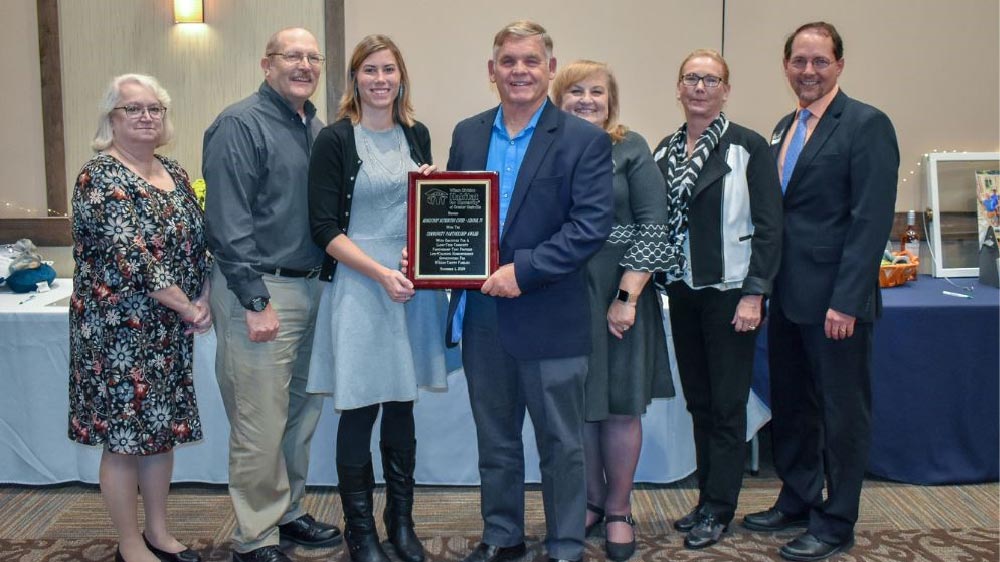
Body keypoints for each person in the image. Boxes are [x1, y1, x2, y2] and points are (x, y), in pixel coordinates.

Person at [446, 20, 613, 562]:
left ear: (550, 69)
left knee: (561, 445)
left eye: (531, 61)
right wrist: (431, 254)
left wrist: (524, 270)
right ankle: (503, 535)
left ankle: (565, 543)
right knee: (495, 442)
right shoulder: (468, 134)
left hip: (551, 315)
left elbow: (589, 227)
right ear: (491, 70)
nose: (519, 70)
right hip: (483, 317)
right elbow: (454, 217)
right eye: (509, 61)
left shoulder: (583, 139)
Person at [741, 22, 898, 562]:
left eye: (820, 61)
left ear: (839, 65)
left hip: (836, 303)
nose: (808, 71)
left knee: (842, 412)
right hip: (787, 298)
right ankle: (799, 497)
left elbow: (870, 220)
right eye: (799, 61)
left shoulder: (866, 125)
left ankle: (837, 521)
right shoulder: (785, 126)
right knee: (794, 407)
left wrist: (847, 300)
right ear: (786, 66)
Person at [306, 34, 452, 562]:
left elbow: (421, 213)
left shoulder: (418, 135)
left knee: (401, 404)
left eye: (389, 69)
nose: (380, 79)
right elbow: (323, 227)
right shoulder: (335, 140)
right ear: (355, 79)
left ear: (401, 76)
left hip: (410, 287)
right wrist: (379, 273)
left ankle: (402, 522)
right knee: (360, 408)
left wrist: (424, 237)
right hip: (359, 283)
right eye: (370, 70)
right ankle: (360, 531)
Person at [203, 27, 341, 562]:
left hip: (311, 287)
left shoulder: (314, 126)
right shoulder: (241, 124)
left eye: (313, 56)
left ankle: (288, 512)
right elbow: (228, 221)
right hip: (261, 292)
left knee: (298, 415)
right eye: (292, 56)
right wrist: (254, 300)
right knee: (259, 422)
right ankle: (255, 536)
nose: (304, 65)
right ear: (267, 64)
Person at [69, 73, 211, 562]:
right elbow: (133, 260)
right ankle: (129, 544)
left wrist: (205, 294)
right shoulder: (99, 176)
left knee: (161, 431)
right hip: (116, 334)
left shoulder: (171, 168)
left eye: (155, 108)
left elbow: (199, 242)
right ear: (112, 118)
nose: (147, 116)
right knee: (124, 439)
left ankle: (158, 531)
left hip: (168, 329)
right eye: (134, 109)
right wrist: (188, 305)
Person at [652, 49, 783, 550]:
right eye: (691, 78)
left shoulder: (747, 146)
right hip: (683, 292)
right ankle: (707, 498)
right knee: (700, 404)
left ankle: (720, 508)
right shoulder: (665, 150)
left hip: (732, 296)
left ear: (726, 89)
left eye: (711, 79)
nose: (700, 87)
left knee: (728, 408)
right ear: (679, 87)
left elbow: (770, 229)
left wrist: (755, 294)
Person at [551, 60, 674, 561]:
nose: (585, 100)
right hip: (562, 291)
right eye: (574, 91)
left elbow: (653, 223)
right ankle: (593, 502)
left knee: (621, 404)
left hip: (622, 292)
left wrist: (626, 296)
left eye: (596, 92)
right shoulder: (548, 149)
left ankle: (620, 509)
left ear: (611, 100)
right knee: (578, 405)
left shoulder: (631, 147)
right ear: (558, 99)